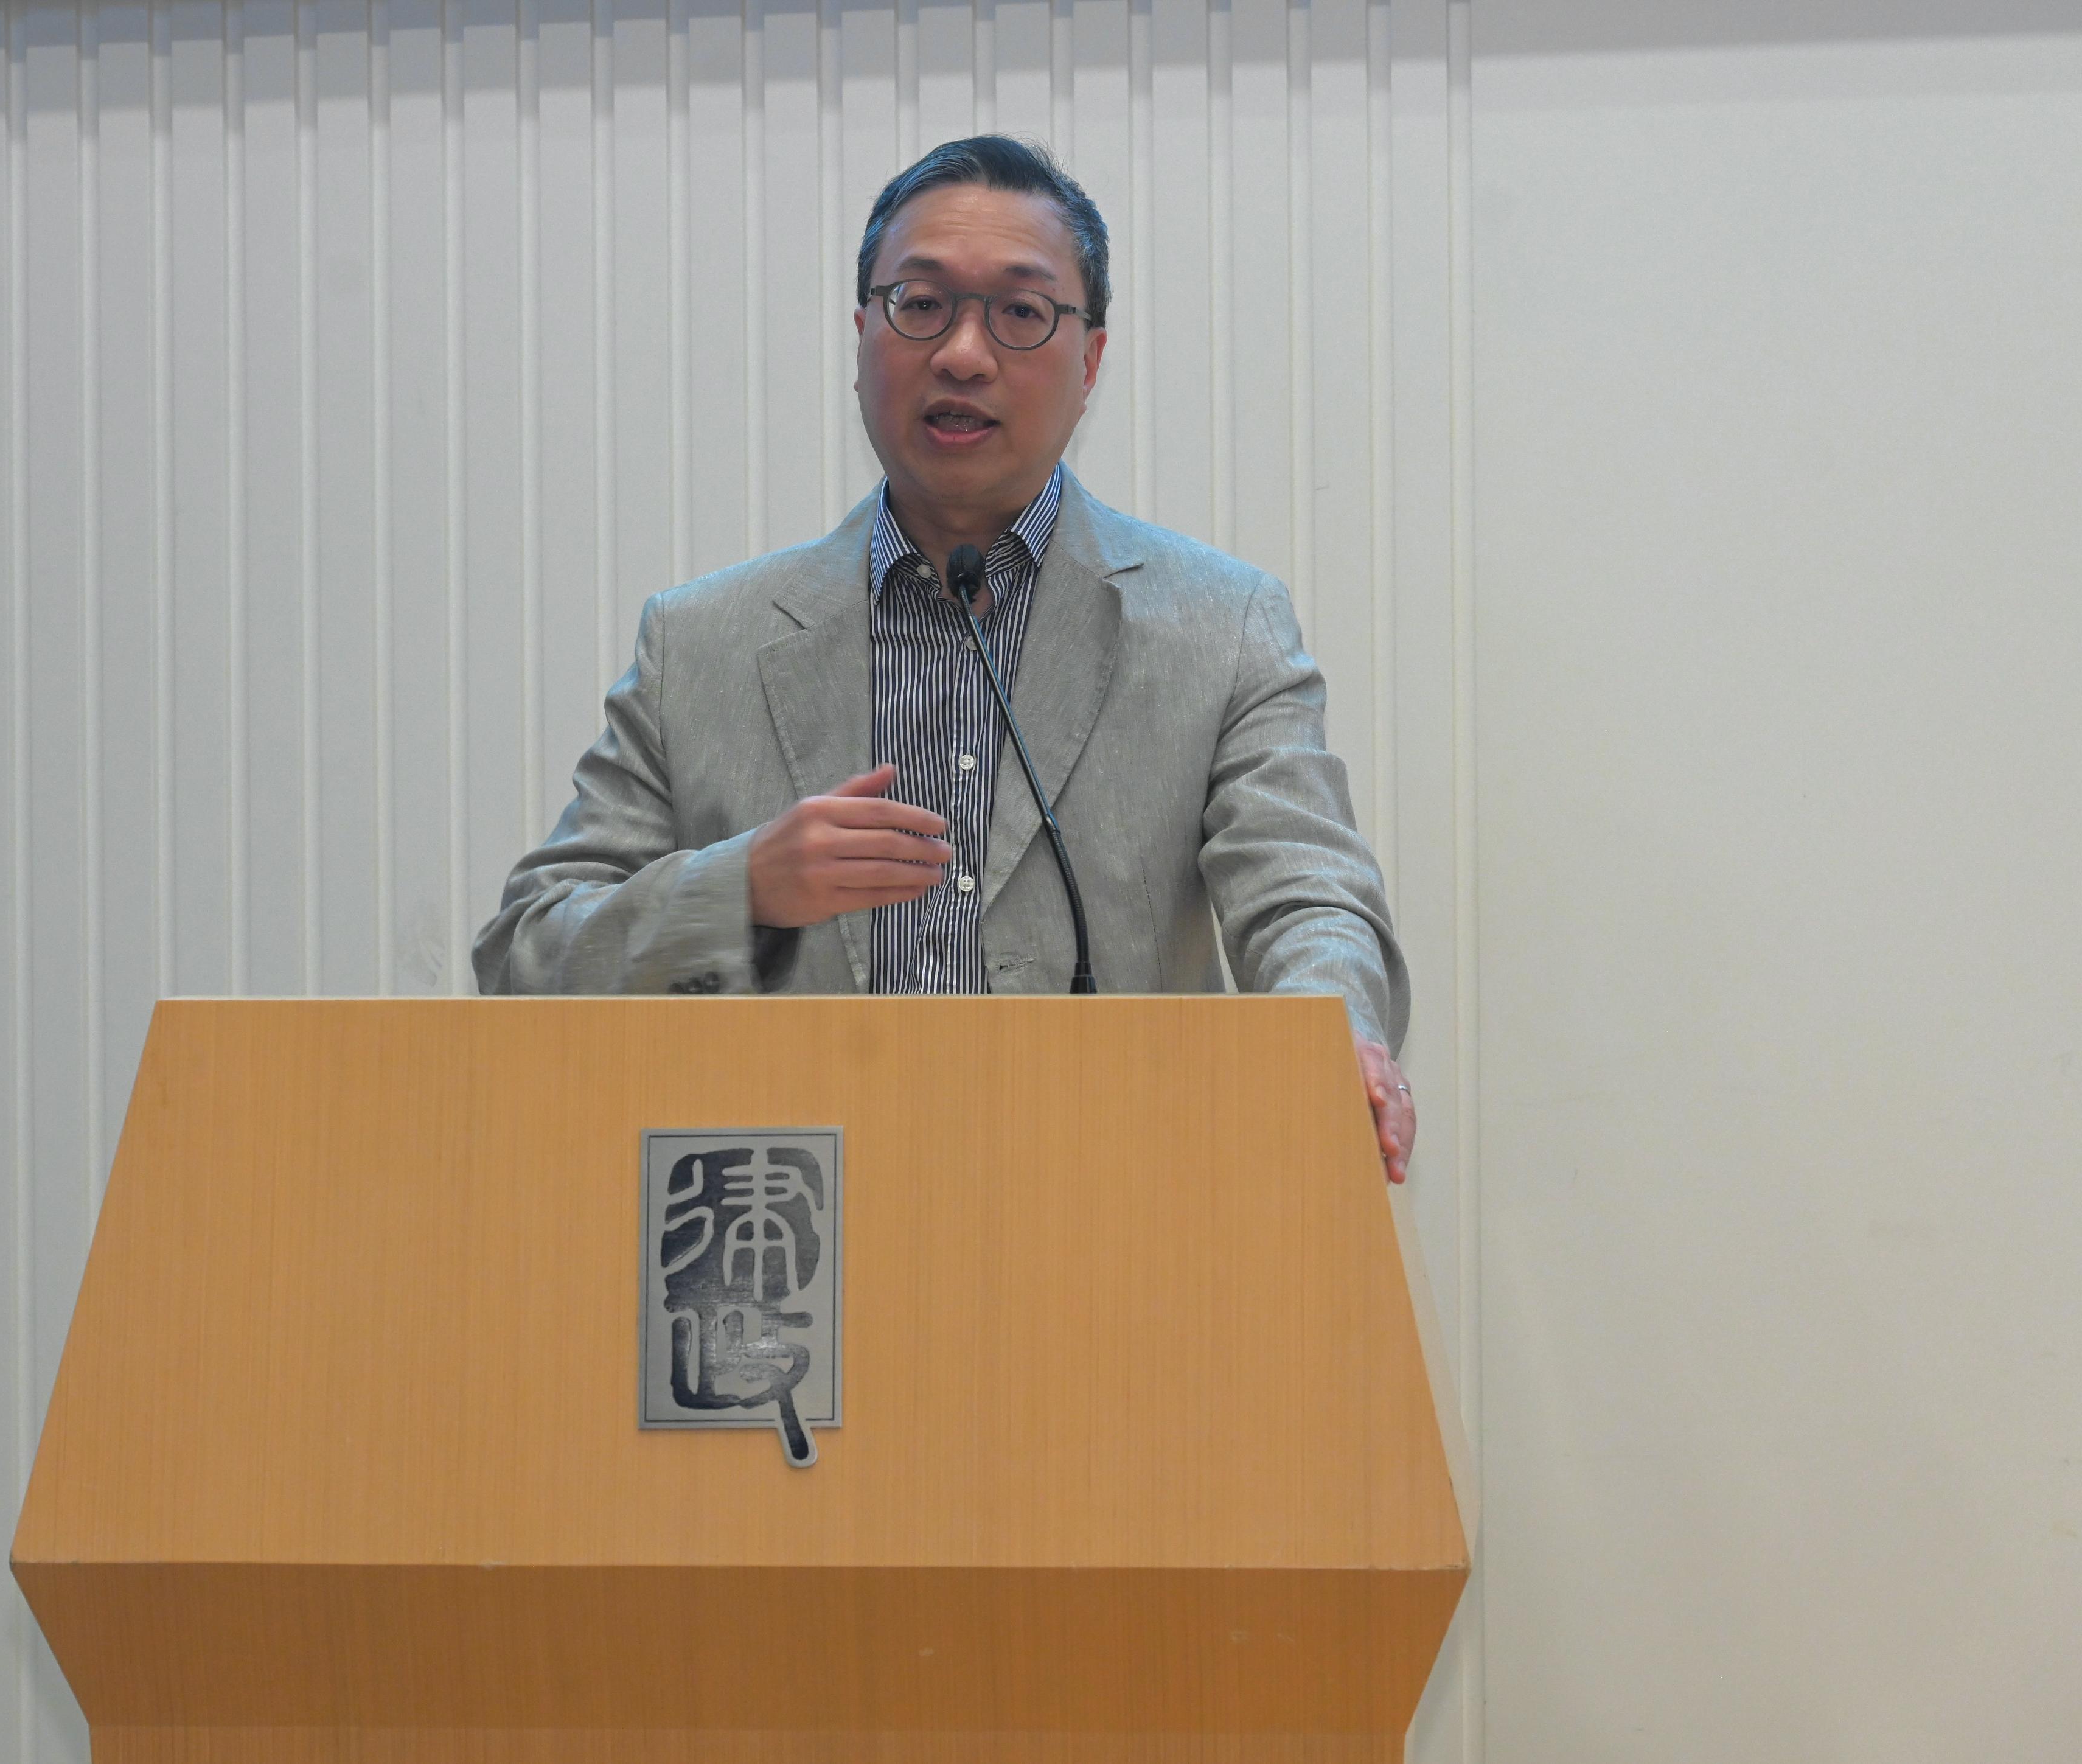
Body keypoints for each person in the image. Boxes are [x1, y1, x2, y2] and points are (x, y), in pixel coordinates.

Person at [473, 136, 1418, 1183]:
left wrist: (1335, 1033)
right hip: (796, 1269)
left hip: (1118, 1230)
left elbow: (1307, 896)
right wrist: (740, 887)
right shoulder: (704, 643)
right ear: (862, 336)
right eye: (921, 304)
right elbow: (527, 959)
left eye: (1020, 313)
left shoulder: (1221, 624)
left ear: (1091, 360)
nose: (964, 353)